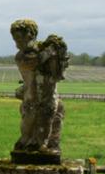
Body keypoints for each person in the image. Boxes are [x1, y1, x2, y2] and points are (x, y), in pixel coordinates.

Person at [9, 19, 68, 162]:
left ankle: (43, 144)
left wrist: (55, 49)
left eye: (21, 38)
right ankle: (26, 142)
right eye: (15, 39)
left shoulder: (42, 51)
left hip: (48, 97)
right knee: (27, 125)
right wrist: (52, 47)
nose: (18, 42)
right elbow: (35, 61)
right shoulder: (22, 57)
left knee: (47, 119)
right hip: (30, 98)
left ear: (31, 35)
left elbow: (56, 72)